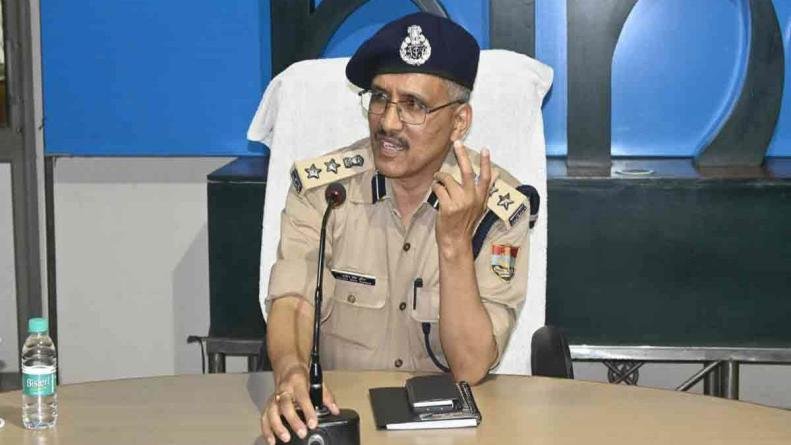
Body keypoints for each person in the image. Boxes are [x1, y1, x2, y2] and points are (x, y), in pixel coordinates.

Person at [260, 12, 533, 444]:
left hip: (450, 433)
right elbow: (293, 301)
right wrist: (291, 374)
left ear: (460, 122)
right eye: (380, 99)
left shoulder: (499, 210)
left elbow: (470, 366)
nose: (388, 122)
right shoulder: (324, 191)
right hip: (338, 420)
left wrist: (454, 243)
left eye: (414, 106)